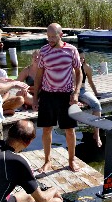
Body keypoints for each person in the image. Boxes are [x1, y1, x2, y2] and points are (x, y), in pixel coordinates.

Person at [32, 23, 82, 172]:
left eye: (53, 37)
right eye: (48, 37)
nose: (50, 40)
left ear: (61, 35)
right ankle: (47, 161)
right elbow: (39, 75)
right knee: (47, 129)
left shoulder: (71, 50)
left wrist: (77, 92)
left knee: (69, 129)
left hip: (66, 95)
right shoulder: (44, 51)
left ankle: (72, 160)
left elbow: (79, 72)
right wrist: (35, 97)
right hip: (48, 95)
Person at [77, 48, 102, 148]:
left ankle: (97, 133)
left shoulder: (87, 68)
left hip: (82, 91)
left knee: (96, 104)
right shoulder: (68, 67)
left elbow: (90, 82)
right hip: (70, 92)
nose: (82, 60)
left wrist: (96, 93)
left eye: (83, 58)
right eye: (80, 58)